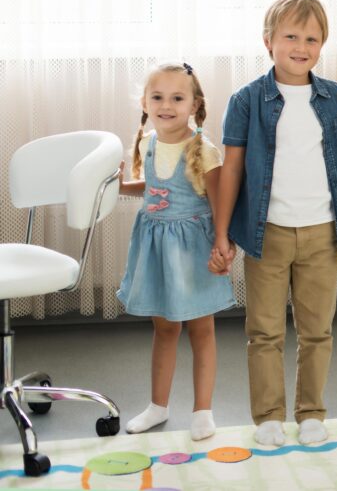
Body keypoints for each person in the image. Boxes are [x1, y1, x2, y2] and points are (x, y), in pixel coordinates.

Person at [210, 0, 337, 447]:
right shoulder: (247, 101)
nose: (301, 46)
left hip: (323, 233)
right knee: (264, 332)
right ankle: (268, 417)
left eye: (312, 39)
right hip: (268, 235)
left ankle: (312, 412)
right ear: (269, 42)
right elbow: (233, 168)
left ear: (322, 45)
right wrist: (222, 233)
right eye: (291, 36)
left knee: (317, 330)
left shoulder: (333, 96)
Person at [117, 62, 236, 441]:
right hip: (155, 247)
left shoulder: (204, 150)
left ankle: (203, 410)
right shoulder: (148, 141)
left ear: (194, 104)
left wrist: (222, 244)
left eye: (176, 98)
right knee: (164, 328)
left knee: (201, 329)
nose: (166, 105)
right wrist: (124, 186)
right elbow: (154, 188)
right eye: (158, 97)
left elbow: (220, 203)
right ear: (145, 102)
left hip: (193, 248)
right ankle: (157, 406)